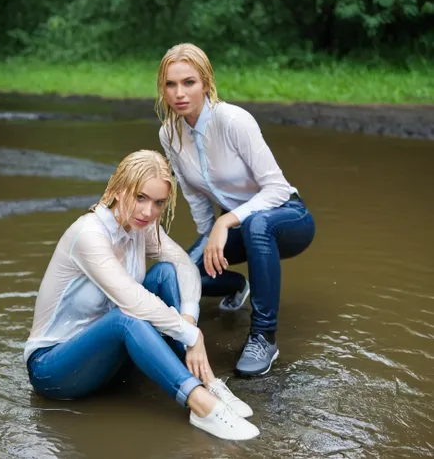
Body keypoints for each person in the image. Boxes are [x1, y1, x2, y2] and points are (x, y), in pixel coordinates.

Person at [24, 150, 260, 441]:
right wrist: (189, 335)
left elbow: (184, 266)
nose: (148, 212)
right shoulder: (89, 234)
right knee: (126, 317)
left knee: (164, 272)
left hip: (106, 362)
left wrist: (189, 321)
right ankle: (201, 404)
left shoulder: (142, 228)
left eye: (159, 203)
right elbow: (132, 300)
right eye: (140, 198)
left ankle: (206, 380)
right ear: (118, 189)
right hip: (53, 369)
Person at [156, 44, 316, 377]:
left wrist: (224, 222)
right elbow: (192, 192)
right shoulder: (169, 133)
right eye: (171, 85)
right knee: (182, 274)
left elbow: (276, 188)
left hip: (287, 217)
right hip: (239, 228)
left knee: (258, 224)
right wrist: (206, 236)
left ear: (206, 83)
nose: (179, 93)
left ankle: (264, 336)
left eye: (189, 82)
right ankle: (234, 286)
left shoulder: (233, 120)